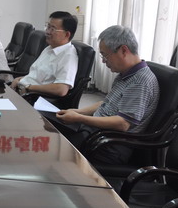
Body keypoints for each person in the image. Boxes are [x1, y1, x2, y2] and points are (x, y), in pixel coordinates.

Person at [55, 25, 159, 164]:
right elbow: (106, 103)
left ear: (123, 50)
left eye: (105, 55)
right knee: (55, 132)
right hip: (96, 134)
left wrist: (79, 118)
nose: (104, 61)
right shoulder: (125, 74)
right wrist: (77, 112)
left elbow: (122, 123)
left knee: (57, 150)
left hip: (109, 146)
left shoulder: (140, 81)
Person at [10, 11, 79, 97]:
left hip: (32, 97)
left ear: (67, 34)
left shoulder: (68, 56)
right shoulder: (49, 48)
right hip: (22, 89)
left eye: (52, 29)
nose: (47, 32)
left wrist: (29, 87)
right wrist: (19, 79)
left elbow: (61, 89)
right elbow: (36, 76)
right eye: (48, 27)